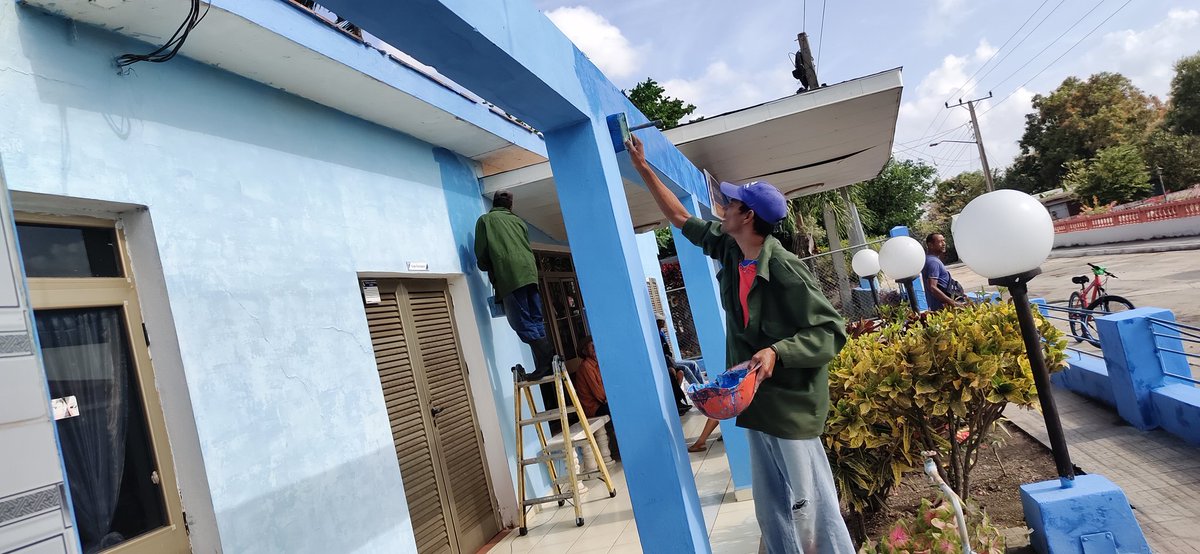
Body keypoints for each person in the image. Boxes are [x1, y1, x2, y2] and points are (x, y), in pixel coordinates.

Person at [627, 134, 855, 553]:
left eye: (731, 204)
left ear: (747, 216)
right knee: (771, 508)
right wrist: (643, 167)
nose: (723, 209)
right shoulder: (731, 249)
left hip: (790, 406)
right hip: (755, 402)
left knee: (810, 505)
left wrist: (777, 351)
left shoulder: (784, 266)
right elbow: (679, 217)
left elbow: (830, 330)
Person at [474, 191, 556, 380]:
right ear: (510, 206)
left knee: (521, 321)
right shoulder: (519, 221)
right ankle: (548, 363)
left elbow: (482, 253)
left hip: (510, 275)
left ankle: (546, 363)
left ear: (494, 204)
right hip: (529, 273)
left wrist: (486, 265)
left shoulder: (486, 220)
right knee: (535, 318)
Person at [923, 233, 964, 311]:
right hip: (943, 310)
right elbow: (932, 287)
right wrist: (953, 303)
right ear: (930, 245)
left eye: (944, 241)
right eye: (940, 241)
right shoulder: (933, 262)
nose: (944, 243)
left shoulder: (930, 259)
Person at [574, 338, 609, 418]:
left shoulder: (597, 363)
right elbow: (600, 395)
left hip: (601, 403)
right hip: (593, 408)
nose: (595, 348)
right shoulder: (586, 366)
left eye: (595, 345)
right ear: (585, 352)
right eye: (591, 346)